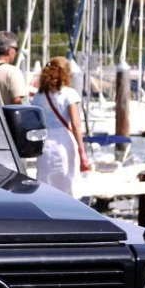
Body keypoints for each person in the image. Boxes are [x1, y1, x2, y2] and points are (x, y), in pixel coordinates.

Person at [31, 55, 89, 194]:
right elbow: (75, 124)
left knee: (46, 183)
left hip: (44, 144)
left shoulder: (38, 96)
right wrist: (82, 152)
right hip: (64, 141)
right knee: (67, 183)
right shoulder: (69, 94)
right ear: (65, 73)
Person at [0, 31, 28, 105]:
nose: (16, 53)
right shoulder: (12, 72)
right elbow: (18, 102)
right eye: (16, 49)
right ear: (10, 51)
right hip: (2, 116)